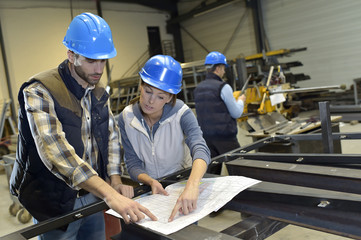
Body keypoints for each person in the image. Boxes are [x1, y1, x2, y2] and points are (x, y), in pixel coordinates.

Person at [10, 12, 156, 240]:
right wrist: (109, 193)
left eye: (103, 60)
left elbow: (112, 137)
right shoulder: (40, 91)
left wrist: (115, 180)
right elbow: (55, 152)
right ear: (71, 55)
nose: (99, 69)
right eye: (91, 60)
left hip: (92, 194)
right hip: (54, 200)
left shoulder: (97, 92)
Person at [117, 55, 211, 222]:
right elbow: (132, 163)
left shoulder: (182, 113)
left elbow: (200, 149)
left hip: (182, 188)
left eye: (160, 96)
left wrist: (192, 185)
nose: (151, 101)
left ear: (169, 98)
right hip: (150, 192)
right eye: (148, 91)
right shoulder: (126, 117)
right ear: (140, 86)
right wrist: (150, 181)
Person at [194, 51, 246, 174]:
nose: (223, 72)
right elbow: (236, 113)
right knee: (239, 172)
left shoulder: (198, 89)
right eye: (223, 68)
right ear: (218, 68)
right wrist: (241, 101)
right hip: (225, 139)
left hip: (206, 138)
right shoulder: (223, 87)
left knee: (212, 175)